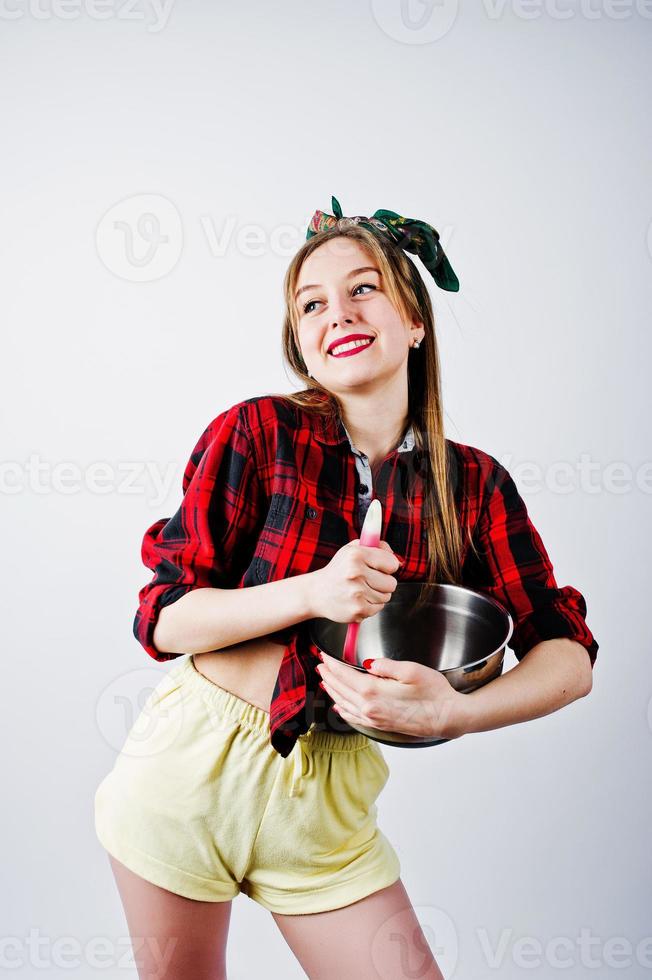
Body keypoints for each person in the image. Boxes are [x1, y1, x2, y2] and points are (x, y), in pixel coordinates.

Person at [94, 196, 598, 979]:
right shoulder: (256, 433)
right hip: (191, 772)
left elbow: (567, 660)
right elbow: (164, 620)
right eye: (312, 303)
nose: (339, 313)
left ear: (414, 321)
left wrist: (458, 711)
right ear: (300, 342)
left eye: (364, 289)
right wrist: (311, 593)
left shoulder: (474, 485)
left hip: (326, 802)